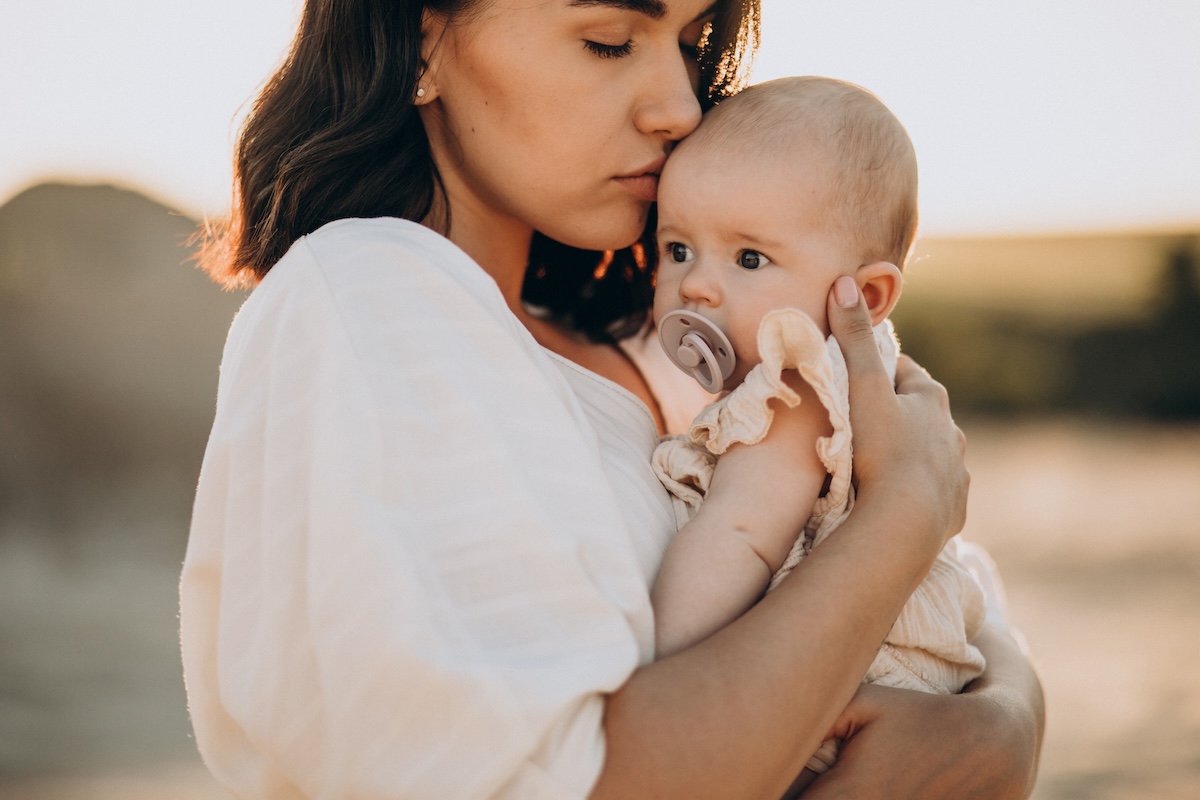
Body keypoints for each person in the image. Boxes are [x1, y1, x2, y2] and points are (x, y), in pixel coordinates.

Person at [178, 1, 1044, 798]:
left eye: (695, 44)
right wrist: (908, 510)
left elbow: (957, 605)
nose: (679, 106)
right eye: (609, 41)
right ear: (420, 40)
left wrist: (1006, 724)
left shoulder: (676, 352)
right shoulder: (363, 295)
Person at [648, 75, 993, 792]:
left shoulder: (796, 391)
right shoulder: (869, 387)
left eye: (748, 259)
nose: (696, 287)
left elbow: (740, 535)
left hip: (856, 687)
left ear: (863, 298)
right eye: (678, 249)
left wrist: (650, 667)